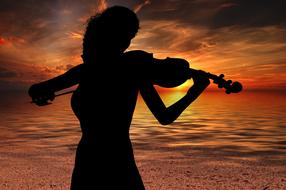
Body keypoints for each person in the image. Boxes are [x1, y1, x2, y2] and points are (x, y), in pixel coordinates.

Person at [28, 6, 210, 190]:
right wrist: (194, 92)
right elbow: (165, 117)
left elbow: (35, 90)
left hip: (89, 162)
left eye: (130, 38)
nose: (127, 44)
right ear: (109, 34)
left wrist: (41, 94)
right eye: (126, 36)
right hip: (117, 163)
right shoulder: (130, 68)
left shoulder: (86, 71)